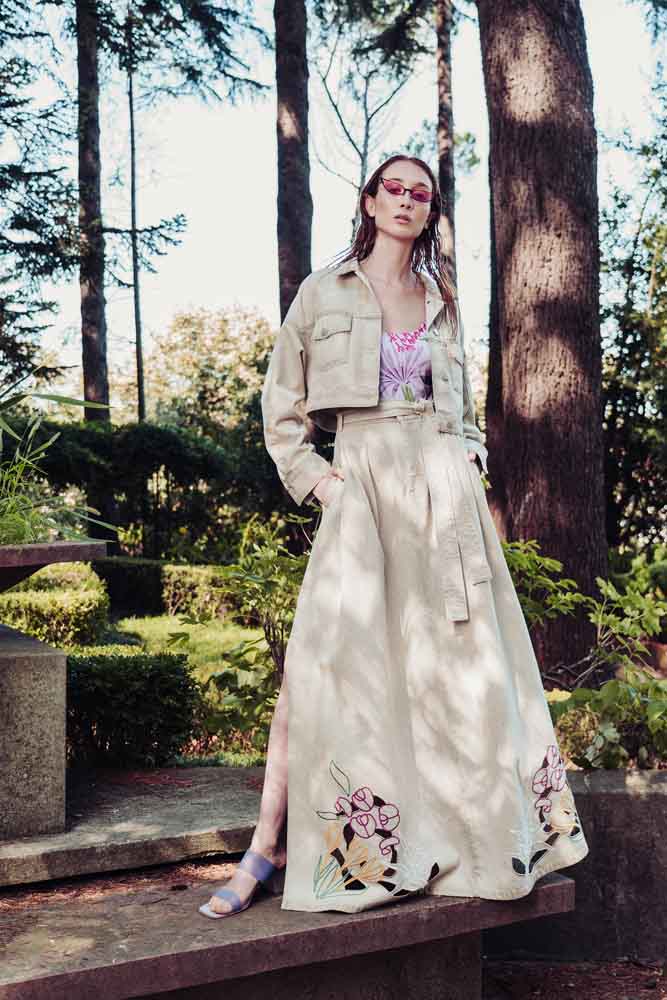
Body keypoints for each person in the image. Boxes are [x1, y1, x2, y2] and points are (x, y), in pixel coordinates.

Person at [199, 153, 589, 919]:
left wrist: (468, 457)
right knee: (321, 667)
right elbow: (281, 406)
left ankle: (468, 843)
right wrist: (320, 481)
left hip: (444, 499)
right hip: (363, 489)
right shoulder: (323, 292)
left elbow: (462, 408)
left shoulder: (441, 298)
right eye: (395, 189)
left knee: (461, 667)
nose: (408, 200)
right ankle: (268, 847)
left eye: (422, 193)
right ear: (370, 201)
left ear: (429, 211)